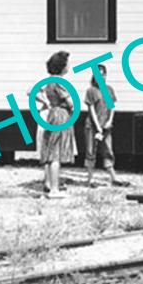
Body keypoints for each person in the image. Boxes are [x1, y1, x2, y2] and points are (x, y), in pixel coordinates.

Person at [39, 51, 78, 199]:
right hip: (62, 114)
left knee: (50, 151)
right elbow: (71, 103)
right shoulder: (61, 82)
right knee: (56, 153)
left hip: (52, 114)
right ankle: (55, 189)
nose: (69, 65)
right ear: (61, 66)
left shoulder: (49, 81)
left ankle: (49, 184)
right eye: (67, 63)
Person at [85, 63, 126, 187]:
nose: (101, 77)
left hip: (106, 126)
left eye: (103, 75)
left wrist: (109, 121)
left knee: (108, 150)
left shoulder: (109, 90)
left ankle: (114, 178)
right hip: (92, 126)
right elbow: (91, 109)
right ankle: (90, 179)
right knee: (91, 151)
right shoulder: (91, 91)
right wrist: (97, 127)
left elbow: (111, 107)